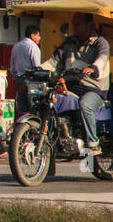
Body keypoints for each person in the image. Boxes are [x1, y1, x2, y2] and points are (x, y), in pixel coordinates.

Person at [39, 13, 109, 152]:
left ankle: (93, 143)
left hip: (93, 88)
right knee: (49, 100)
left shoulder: (100, 42)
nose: (75, 27)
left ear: (90, 25)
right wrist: (37, 69)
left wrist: (93, 68)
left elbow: (102, 59)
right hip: (71, 86)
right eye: (74, 23)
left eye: (78, 24)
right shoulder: (69, 42)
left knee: (85, 105)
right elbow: (54, 61)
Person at [8, 24, 42, 115]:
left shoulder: (16, 46)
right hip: (32, 81)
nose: (39, 38)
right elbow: (37, 67)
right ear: (32, 35)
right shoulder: (33, 47)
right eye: (38, 35)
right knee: (34, 106)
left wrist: (16, 78)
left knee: (22, 108)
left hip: (19, 80)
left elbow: (12, 68)